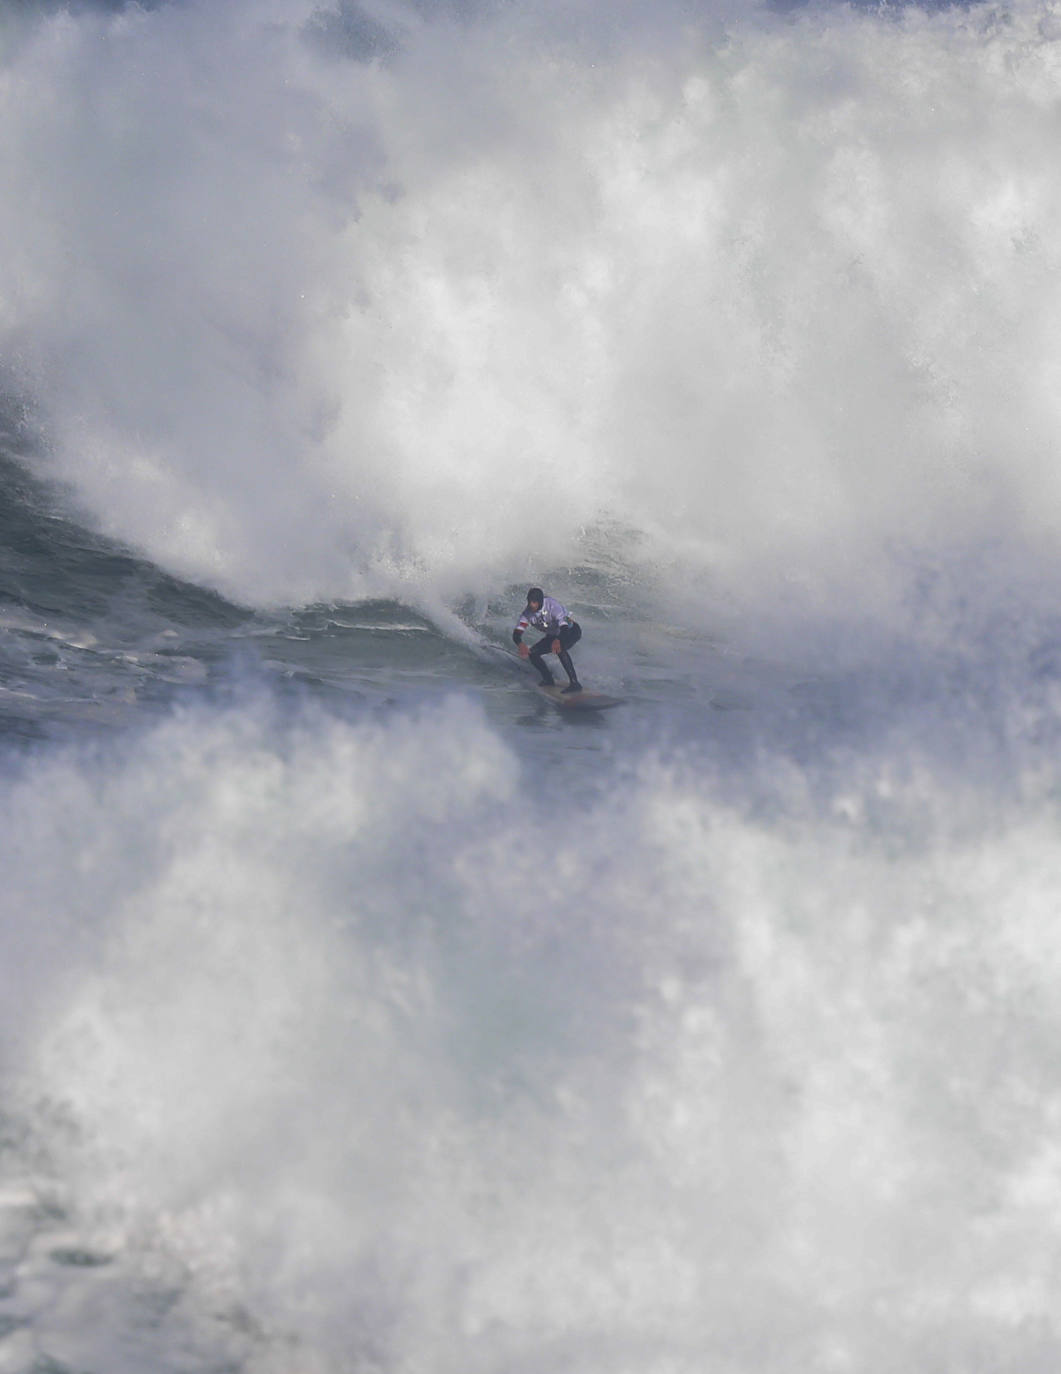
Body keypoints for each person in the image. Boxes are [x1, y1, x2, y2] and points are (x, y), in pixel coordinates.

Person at [512, 587, 582, 692]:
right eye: (529, 601)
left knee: (560, 648)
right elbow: (517, 634)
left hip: (570, 631)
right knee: (533, 653)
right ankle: (548, 679)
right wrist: (520, 643)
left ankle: (575, 683)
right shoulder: (527, 614)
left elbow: (564, 627)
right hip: (553, 635)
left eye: (534, 602)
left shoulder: (553, 606)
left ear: (540, 601)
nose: (531, 605)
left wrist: (558, 640)